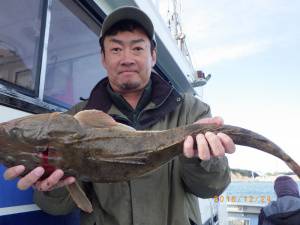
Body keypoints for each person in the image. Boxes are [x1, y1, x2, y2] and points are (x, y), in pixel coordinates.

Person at [3, 6, 236, 225]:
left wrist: (201, 159)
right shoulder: (73, 118)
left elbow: (212, 189)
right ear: (103, 58)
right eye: (116, 49)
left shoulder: (192, 112)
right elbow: (57, 208)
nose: (127, 58)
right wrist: (51, 184)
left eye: (137, 48)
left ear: (153, 56)